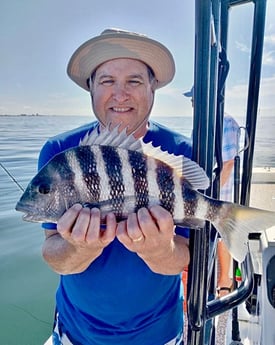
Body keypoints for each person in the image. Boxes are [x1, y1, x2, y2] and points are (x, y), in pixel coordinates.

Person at [41, 28, 192, 345]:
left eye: (134, 81)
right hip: (75, 333)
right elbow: (53, 253)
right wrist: (81, 248)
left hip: (160, 334)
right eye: (107, 81)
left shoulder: (182, 152)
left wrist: (158, 251)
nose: (120, 94)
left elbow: (185, 256)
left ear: (153, 88)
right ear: (91, 89)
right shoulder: (60, 152)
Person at [183, 87, 240, 297]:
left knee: (223, 236)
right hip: (206, 192)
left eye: (195, 99)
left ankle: (225, 282)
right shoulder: (201, 125)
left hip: (219, 193)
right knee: (209, 237)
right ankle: (205, 283)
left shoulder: (226, 122)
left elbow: (227, 164)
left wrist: (210, 196)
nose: (192, 103)